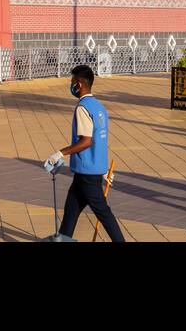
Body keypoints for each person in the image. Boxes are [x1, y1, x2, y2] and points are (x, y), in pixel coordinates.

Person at [46, 65, 125, 242]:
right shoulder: (98, 107)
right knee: (70, 213)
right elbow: (101, 141)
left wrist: (60, 153)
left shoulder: (82, 108)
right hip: (88, 172)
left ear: (80, 84)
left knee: (104, 214)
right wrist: (103, 170)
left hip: (87, 174)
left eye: (73, 81)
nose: (71, 85)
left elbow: (86, 141)